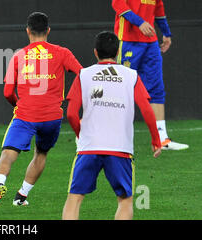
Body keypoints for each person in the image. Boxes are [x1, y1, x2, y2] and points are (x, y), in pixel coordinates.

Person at [0, 12, 82, 214]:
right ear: (48, 31)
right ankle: (21, 196)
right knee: (41, 153)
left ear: (27, 31)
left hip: (25, 114)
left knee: (8, 153)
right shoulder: (62, 52)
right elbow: (83, 74)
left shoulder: (19, 56)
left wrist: (17, 105)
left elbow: (7, 92)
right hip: (52, 117)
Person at [62, 31, 162, 220]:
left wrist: (79, 134)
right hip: (120, 148)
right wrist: (156, 140)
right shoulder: (131, 75)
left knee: (74, 198)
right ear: (117, 52)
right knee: (125, 201)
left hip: (89, 148)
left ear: (95, 52)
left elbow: (71, 114)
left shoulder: (84, 74)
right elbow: (147, 110)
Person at [112, 0, 188, 150]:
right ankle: (116, 138)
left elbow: (158, 5)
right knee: (122, 89)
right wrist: (139, 22)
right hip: (127, 39)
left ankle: (162, 138)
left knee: (156, 87)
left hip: (150, 41)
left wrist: (166, 32)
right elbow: (118, 3)